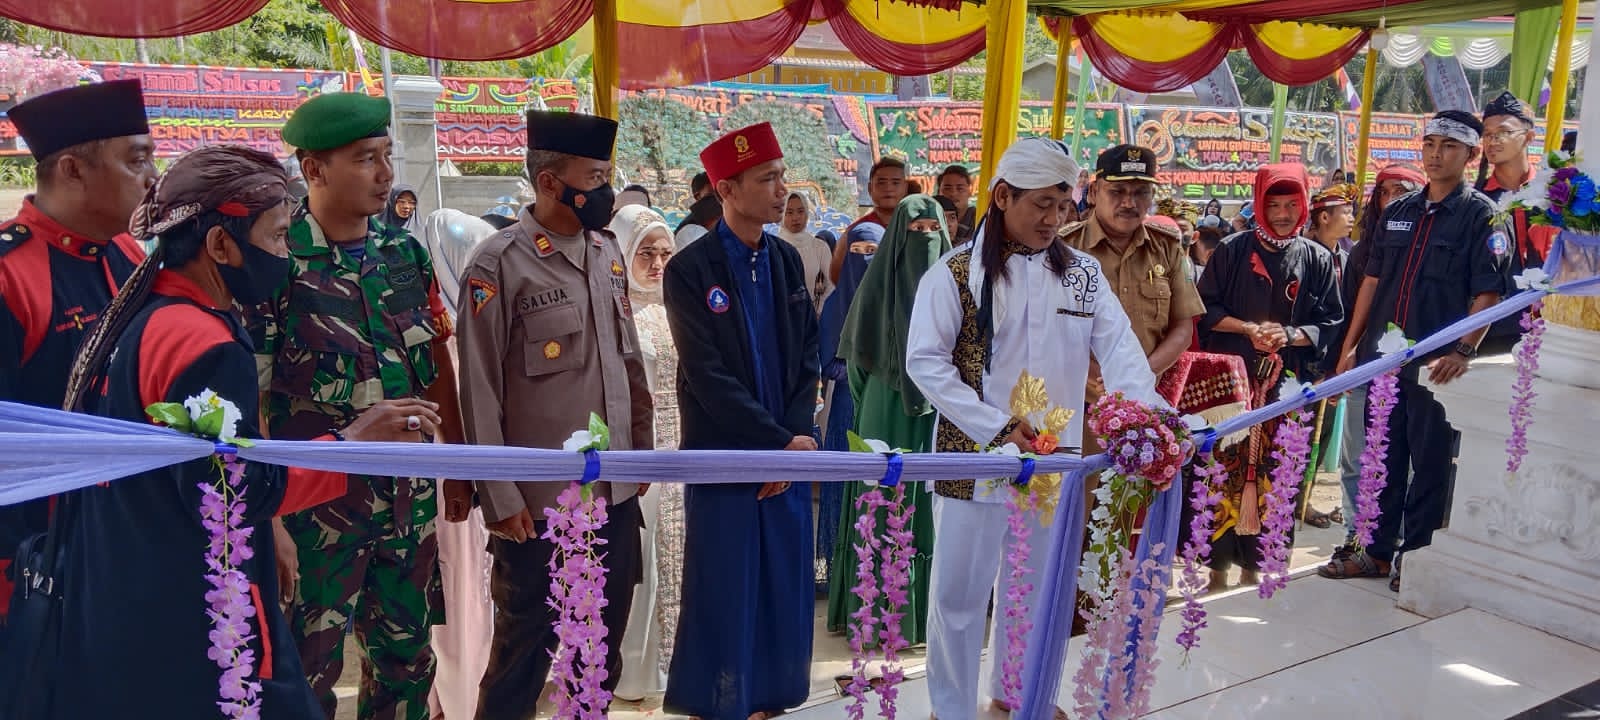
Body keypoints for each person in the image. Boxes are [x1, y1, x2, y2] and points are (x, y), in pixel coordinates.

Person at [50, 144, 437, 720]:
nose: (285, 253)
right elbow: (233, 491)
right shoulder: (206, 346)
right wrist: (354, 443)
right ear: (219, 245)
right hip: (197, 600)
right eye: (278, 236)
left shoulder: (147, 319)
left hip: (132, 587)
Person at [906, 138, 1165, 720]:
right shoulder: (952, 276)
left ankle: (1016, 697)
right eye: (1042, 205)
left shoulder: (1083, 277)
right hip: (971, 458)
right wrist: (997, 428)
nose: (1055, 219)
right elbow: (925, 362)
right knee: (958, 596)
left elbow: (1121, 350)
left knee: (1032, 589)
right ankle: (950, 709)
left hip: (1053, 461)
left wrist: (1149, 416)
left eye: (1063, 204)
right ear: (1002, 197)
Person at [254, 92, 465, 720]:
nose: (384, 175)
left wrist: (455, 465)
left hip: (408, 505)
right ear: (314, 170)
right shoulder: (276, 262)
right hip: (316, 517)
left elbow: (435, 366)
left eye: (386, 157)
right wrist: (270, 520)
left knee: (407, 663)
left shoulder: (406, 255)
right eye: (365, 159)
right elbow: (255, 397)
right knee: (304, 670)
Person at [454, 110, 651, 719]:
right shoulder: (499, 264)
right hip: (536, 506)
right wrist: (499, 493)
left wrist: (638, 451)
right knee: (523, 656)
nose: (604, 189)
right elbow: (479, 390)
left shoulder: (608, 251)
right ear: (549, 182)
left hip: (612, 493)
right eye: (594, 176)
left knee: (600, 656)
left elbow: (628, 361)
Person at [662, 122, 820, 720]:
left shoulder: (782, 259)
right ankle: (723, 701)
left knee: (782, 581)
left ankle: (773, 699)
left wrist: (792, 439)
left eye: (782, 176)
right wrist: (774, 443)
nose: (781, 190)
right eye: (767, 179)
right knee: (727, 582)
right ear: (727, 189)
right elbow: (706, 375)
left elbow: (807, 358)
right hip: (726, 454)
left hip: (787, 451)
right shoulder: (690, 270)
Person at [1326, 111, 1513, 592]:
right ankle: (1376, 551)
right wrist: (1351, 349)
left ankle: (1417, 555)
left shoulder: (1483, 217)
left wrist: (1464, 350)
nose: (1435, 154)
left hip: (1438, 367)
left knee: (1430, 463)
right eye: (1429, 143)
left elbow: (1488, 293)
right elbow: (1372, 281)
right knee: (1380, 457)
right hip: (1385, 360)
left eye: (1449, 146)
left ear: (1471, 156)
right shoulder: (1399, 210)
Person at [0, 79, 155, 616]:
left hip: (124, 545)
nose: (152, 179)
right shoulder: (11, 276)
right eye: (137, 161)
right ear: (71, 169)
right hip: (36, 565)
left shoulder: (129, 254)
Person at [1193, 163, 1344, 588]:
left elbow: (1331, 320)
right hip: (1231, 387)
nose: (1281, 214)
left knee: (1279, 474)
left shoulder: (1317, 257)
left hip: (1288, 387)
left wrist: (1291, 334)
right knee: (1222, 473)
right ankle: (1216, 574)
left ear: (1303, 206)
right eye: (1273, 204)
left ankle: (1257, 571)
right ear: (1259, 203)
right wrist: (1247, 329)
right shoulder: (1231, 251)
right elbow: (1204, 311)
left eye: (1290, 204)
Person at [824, 194, 952, 651]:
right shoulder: (873, 289)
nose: (923, 241)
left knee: (930, 505)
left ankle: (921, 618)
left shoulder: (956, 288)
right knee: (880, 503)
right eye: (914, 231)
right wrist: (889, 391)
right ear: (898, 236)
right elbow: (856, 367)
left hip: (942, 408)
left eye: (932, 231)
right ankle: (872, 612)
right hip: (884, 408)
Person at [416, 208, 499, 720]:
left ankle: (469, 691)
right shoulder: (430, 332)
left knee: (482, 590)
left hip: (486, 481)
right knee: (455, 589)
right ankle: (452, 696)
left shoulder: (488, 323)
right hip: (448, 483)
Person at [607, 204, 684, 703]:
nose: (657, 264)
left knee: (673, 558)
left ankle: (669, 669)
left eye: (665, 252)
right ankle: (629, 674)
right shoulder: (612, 309)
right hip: (637, 450)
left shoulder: (678, 305)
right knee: (637, 563)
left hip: (681, 448)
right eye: (646, 254)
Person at [1328, 164, 1423, 551]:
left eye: (1402, 191)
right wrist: (1346, 353)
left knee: (1404, 459)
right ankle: (1356, 532)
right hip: (1366, 362)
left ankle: (1394, 536)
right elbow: (1351, 309)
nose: (1392, 200)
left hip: (1413, 368)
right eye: (1384, 192)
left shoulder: (1425, 249)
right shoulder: (1361, 254)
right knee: (1356, 457)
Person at [1474, 91, 1550, 356]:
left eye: (1503, 132)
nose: (1493, 141)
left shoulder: (1554, 194)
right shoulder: (1477, 199)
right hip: (1492, 328)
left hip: (1548, 325)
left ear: (1529, 137)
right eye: (1487, 134)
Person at [831, 157, 907, 282]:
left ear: (905, 187)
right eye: (881, 183)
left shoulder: (916, 227)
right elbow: (837, 276)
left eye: (895, 182)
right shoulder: (855, 232)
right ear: (870, 188)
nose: (888, 188)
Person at [777, 190, 834, 314]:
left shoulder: (819, 247)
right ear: (781, 214)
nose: (795, 217)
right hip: (782, 316)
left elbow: (831, 283)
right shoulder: (774, 248)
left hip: (812, 314)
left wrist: (819, 311)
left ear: (807, 214)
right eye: (789, 212)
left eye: (800, 211)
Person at [937, 164, 976, 243]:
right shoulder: (928, 219)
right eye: (947, 188)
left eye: (960, 188)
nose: (953, 193)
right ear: (938, 192)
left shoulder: (980, 221)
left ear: (970, 192)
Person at [673, 171, 713, 236]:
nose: (718, 199)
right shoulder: (687, 228)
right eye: (711, 194)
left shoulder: (728, 217)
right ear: (697, 197)